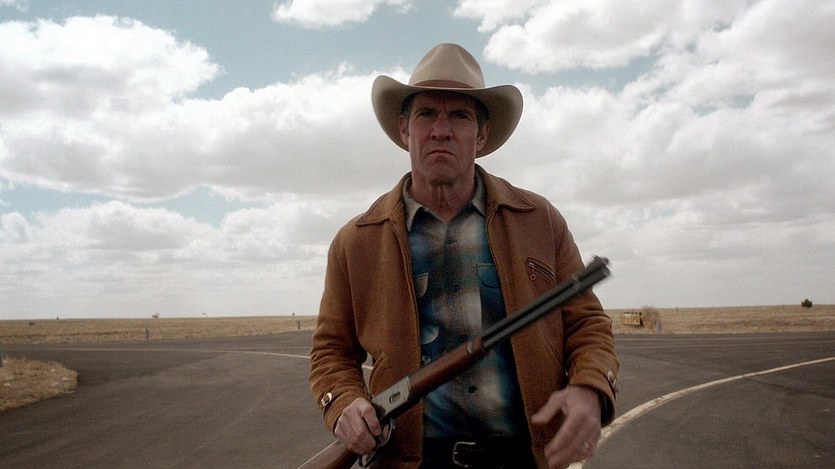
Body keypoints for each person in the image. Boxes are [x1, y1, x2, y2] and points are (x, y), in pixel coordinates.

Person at [309, 43, 619, 469]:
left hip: (523, 460)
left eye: (459, 116)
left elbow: (586, 324)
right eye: (426, 114)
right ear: (404, 130)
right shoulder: (356, 241)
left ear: (482, 135)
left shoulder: (539, 220)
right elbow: (331, 351)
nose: (441, 130)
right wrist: (345, 403)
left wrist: (590, 387)